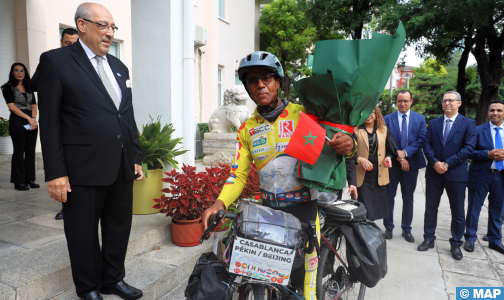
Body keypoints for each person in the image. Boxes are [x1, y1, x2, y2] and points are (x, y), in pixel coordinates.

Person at [201, 51, 355, 300]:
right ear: (247, 88)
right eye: (252, 80)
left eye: (266, 77)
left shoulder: (304, 113)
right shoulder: (247, 129)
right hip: (270, 215)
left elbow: (341, 137)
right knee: (269, 282)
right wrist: (220, 202)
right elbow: (238, 175)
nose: (260, 84)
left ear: (278, 82)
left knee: (306, 289)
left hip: (305, 210)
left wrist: (350, 143)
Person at [35, 3, 143, 300]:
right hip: (81, 166)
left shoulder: (119, 67)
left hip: (121, 164)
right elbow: (51, 121)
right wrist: (55, 172)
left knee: (119, 225)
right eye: (103, 26)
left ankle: (113, 280)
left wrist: (135, 156)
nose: (109, 33)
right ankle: (89, 287)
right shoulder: (56, 62)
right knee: (82, 231)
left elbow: (127, 115)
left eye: (112, 28)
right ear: (82, 25)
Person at [419, 91, 476, 260]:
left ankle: (456, 243)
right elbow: (426, 144)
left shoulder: (468, 123)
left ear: (459, 103)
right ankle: (428, 239)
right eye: (444, 101)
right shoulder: (434, 123)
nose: (447, 103)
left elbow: (469, 148)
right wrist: (435, 162)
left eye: (451, 100)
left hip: (456, 174)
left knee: (457, 211)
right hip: (434, 173)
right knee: (430, 208)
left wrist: (448, 163)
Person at [31, 27, 80, 221]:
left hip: (80, 123)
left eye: (75, 43)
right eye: (68, 43)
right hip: (60, 120)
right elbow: (33, 84)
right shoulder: (53, 60)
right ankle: (65, 206)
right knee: (63, 165)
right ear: (61, 42)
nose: (71, 46)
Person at [383, 90, 426, 242]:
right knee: (389, 196)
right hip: (392, 164)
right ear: (396, 102)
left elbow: (421, 140)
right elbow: (387, 140)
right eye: (400, 101)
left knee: (408, 197)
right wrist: (400, 158)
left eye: (405, 101)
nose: (402, 104)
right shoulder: (387, 119)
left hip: (412, 164)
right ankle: (388, 227)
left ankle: (406, 229)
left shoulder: (420, 119)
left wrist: (406, 154)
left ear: (411, 101)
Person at [464, 100, 504, 254]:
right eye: (492, 110)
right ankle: (470, 238)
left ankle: (495, 240)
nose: (495, 113)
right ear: (488, 113)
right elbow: (468, 152)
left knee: (497, 210)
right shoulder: (478, 130)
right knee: (474, 208)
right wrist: (487, 154)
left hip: (501, 176)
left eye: (499, 110)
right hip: (481, 175)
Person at [347, 106, 397, 221]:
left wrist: (388, 158)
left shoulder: (383, 130)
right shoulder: (355, 130)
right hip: (362, 176)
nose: (369, 115)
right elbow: (348, 154)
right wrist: (360, 159)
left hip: (379, 175)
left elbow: (391, 150)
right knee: (365, 207)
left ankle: (370, 232)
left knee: (376, 208)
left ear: (376, 114)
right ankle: (364, 233)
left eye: (372, 112)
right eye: (365, 113)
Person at [1, 63, 39, 191]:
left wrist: (33, 119)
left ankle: (30, 179)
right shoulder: (7, 87)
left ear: (25, 72)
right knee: (19, 151)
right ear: (12, 73)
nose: (19, 72)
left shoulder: (29, 87)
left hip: (31, 121)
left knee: (30, 151)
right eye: (16, 70)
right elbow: (11, 106)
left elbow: (34, 105)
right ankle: (19, 181)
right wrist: (28, 118)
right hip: (18, 120)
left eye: (22, 70)